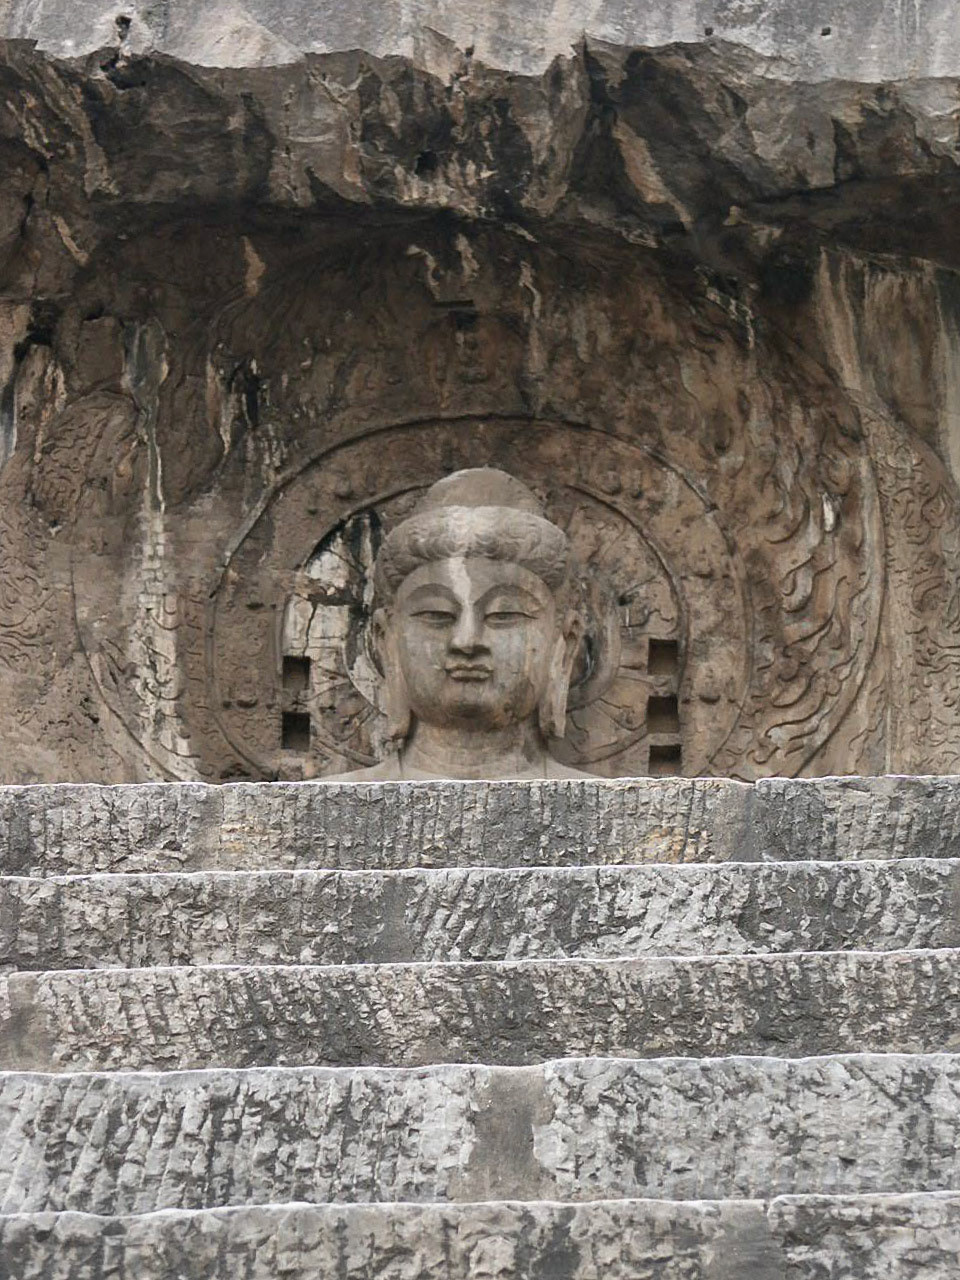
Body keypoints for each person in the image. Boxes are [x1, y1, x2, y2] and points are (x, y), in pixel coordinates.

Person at [329, 467, 592, 780]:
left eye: (504, 615)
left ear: (565, 644)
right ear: (386, 640)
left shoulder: (611, 812)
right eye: (437, 615)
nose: (467, 640)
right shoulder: (318, 809)